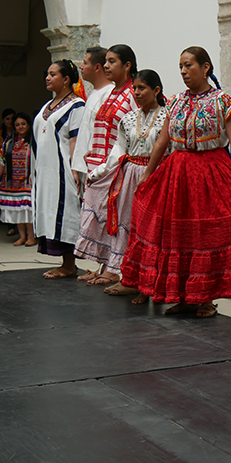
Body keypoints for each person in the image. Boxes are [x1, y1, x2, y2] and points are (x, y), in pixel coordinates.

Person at [120, 46, 231, 318]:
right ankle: (184, 296)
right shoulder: (175, 102)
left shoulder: (222, 101)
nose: (183, 71)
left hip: (210, 173)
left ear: (205, 67)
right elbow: (163, 140)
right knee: (178, 238)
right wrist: (147, 174)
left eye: (189, 65)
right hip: (177, 175)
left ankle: (204, 298)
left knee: (203, 236)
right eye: (180, 66)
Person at [74, 69, 168, 301]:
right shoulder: (127, 119)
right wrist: (98, 172)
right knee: (128, 225)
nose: (136, 93)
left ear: (156, 90)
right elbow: (119, 150)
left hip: (156, 177)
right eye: (134, 88)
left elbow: (171, 150)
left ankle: (152, 283)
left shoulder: (167, 117)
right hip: (129, 179)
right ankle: (130, 279)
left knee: (153, 230)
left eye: (142, 88)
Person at [79, 44, 137, 286]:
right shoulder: (113, 92)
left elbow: (134, 132)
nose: (106, 66)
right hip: (101, 164)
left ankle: (116, 269)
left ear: (127, 66)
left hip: (118, 166)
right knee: (102, 217)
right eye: (106, 61)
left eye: (112, 62)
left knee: (118, 219)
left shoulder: (133, 93)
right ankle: (104, 264)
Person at [32, 60, 86, 278]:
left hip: (63, 171)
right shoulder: (47, 106)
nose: (47, 77)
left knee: (66, 213)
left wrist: (76, 170)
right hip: (45, 171)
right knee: (50, 212)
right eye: (47, 74)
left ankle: (69, 265)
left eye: (52, 74)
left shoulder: (76, 106)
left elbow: (76, 140)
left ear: (65, 80)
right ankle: (66, 263)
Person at [72, 46, 113, 186]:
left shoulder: (109, 94)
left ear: (97, 67)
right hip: (85, 166)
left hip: (98, 167)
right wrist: (77, 166)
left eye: (85, 63)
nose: (81, 66)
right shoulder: (94, 93)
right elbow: (85, 131)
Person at [0, 112, 35, 246]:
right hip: (12, 182)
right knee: (17, 210)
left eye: (23, 124)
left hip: (27, 181)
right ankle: (22, 236)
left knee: (27, 209)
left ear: (29, 125)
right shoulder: (8, 143)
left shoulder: (34, 143)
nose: (20, 127)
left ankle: (32, 237)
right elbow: (2, 162)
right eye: (17, 125)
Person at [0, 108, 17, 234]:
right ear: (3, 120)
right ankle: (9, 226)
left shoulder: (20, 132)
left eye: (13, 119)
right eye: (7, 119)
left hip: (19, 169)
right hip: (1, 168)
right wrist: (7, 153)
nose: (10, 122)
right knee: (6, 198)